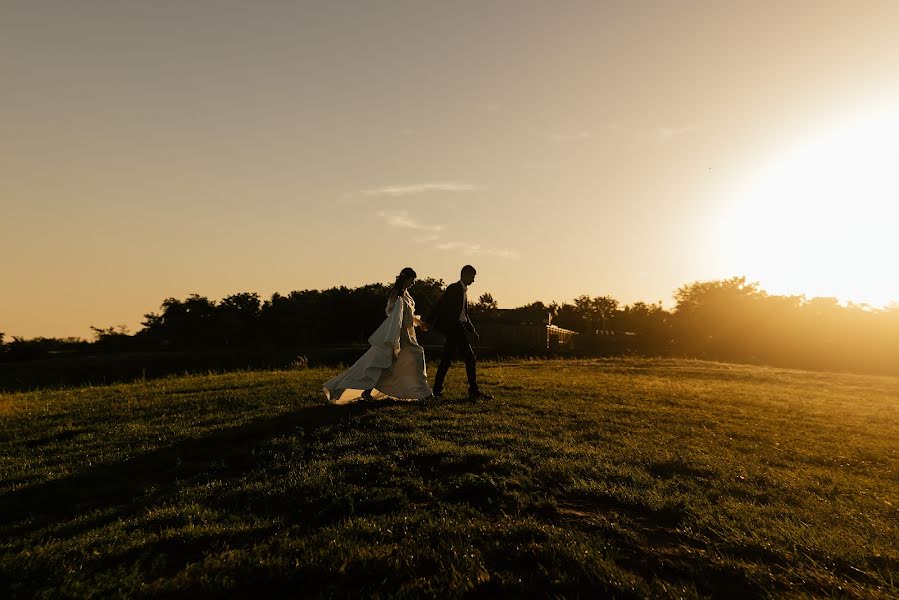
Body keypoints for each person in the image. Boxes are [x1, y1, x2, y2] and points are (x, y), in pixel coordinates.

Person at [323, 267, 433, 403]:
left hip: (407, 334)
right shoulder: (396, 293)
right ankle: (424, 393)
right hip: (397, 334)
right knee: (414, 355)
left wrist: (420, 323)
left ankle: (416, 392)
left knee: (390, 364)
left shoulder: (406, 295)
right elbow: (391, 311)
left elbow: (408, 314)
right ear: (406, 279)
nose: (413, 283)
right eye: (412, 280)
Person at [427, 265, 492, 400]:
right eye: (473, 277)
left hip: (458, 327)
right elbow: (440, 305)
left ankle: (437, 390)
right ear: (465, 275)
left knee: (447, 359)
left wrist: (472, 330)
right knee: (469, 358)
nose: (474, 280)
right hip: (454, 327)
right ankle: (473, 391)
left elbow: (464, 315)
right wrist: (429, 321)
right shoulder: (454, 288)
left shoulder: (464, 291)